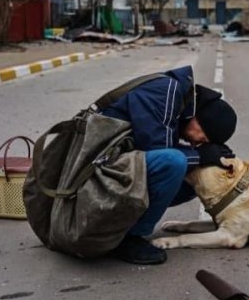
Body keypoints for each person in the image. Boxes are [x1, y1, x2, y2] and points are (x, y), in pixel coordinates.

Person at [101, 65, 238, 265]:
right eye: (203, 138)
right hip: (97, 169)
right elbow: (157, 150)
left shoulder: (177, 101)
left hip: (115, 165)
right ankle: (130, 238)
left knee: (193, 175)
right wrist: (201, 155)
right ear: (200, 120)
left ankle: (123, 224)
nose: (195, 143)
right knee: (175, 162)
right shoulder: (166, 91)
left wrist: (202, 158)